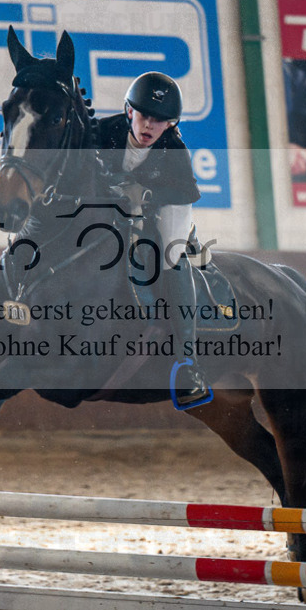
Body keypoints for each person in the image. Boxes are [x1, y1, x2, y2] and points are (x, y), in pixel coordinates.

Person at [96, 72, 210, 406]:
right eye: (144, 115)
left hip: (167, 206)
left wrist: (145, 193)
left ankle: (188, 364)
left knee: (173, 253)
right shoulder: (103, 131)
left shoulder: (174, 147)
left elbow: (189, 190)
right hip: (114, 204)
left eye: (159, 121)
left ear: (170, 125)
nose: (149, 126)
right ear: (130, 111)